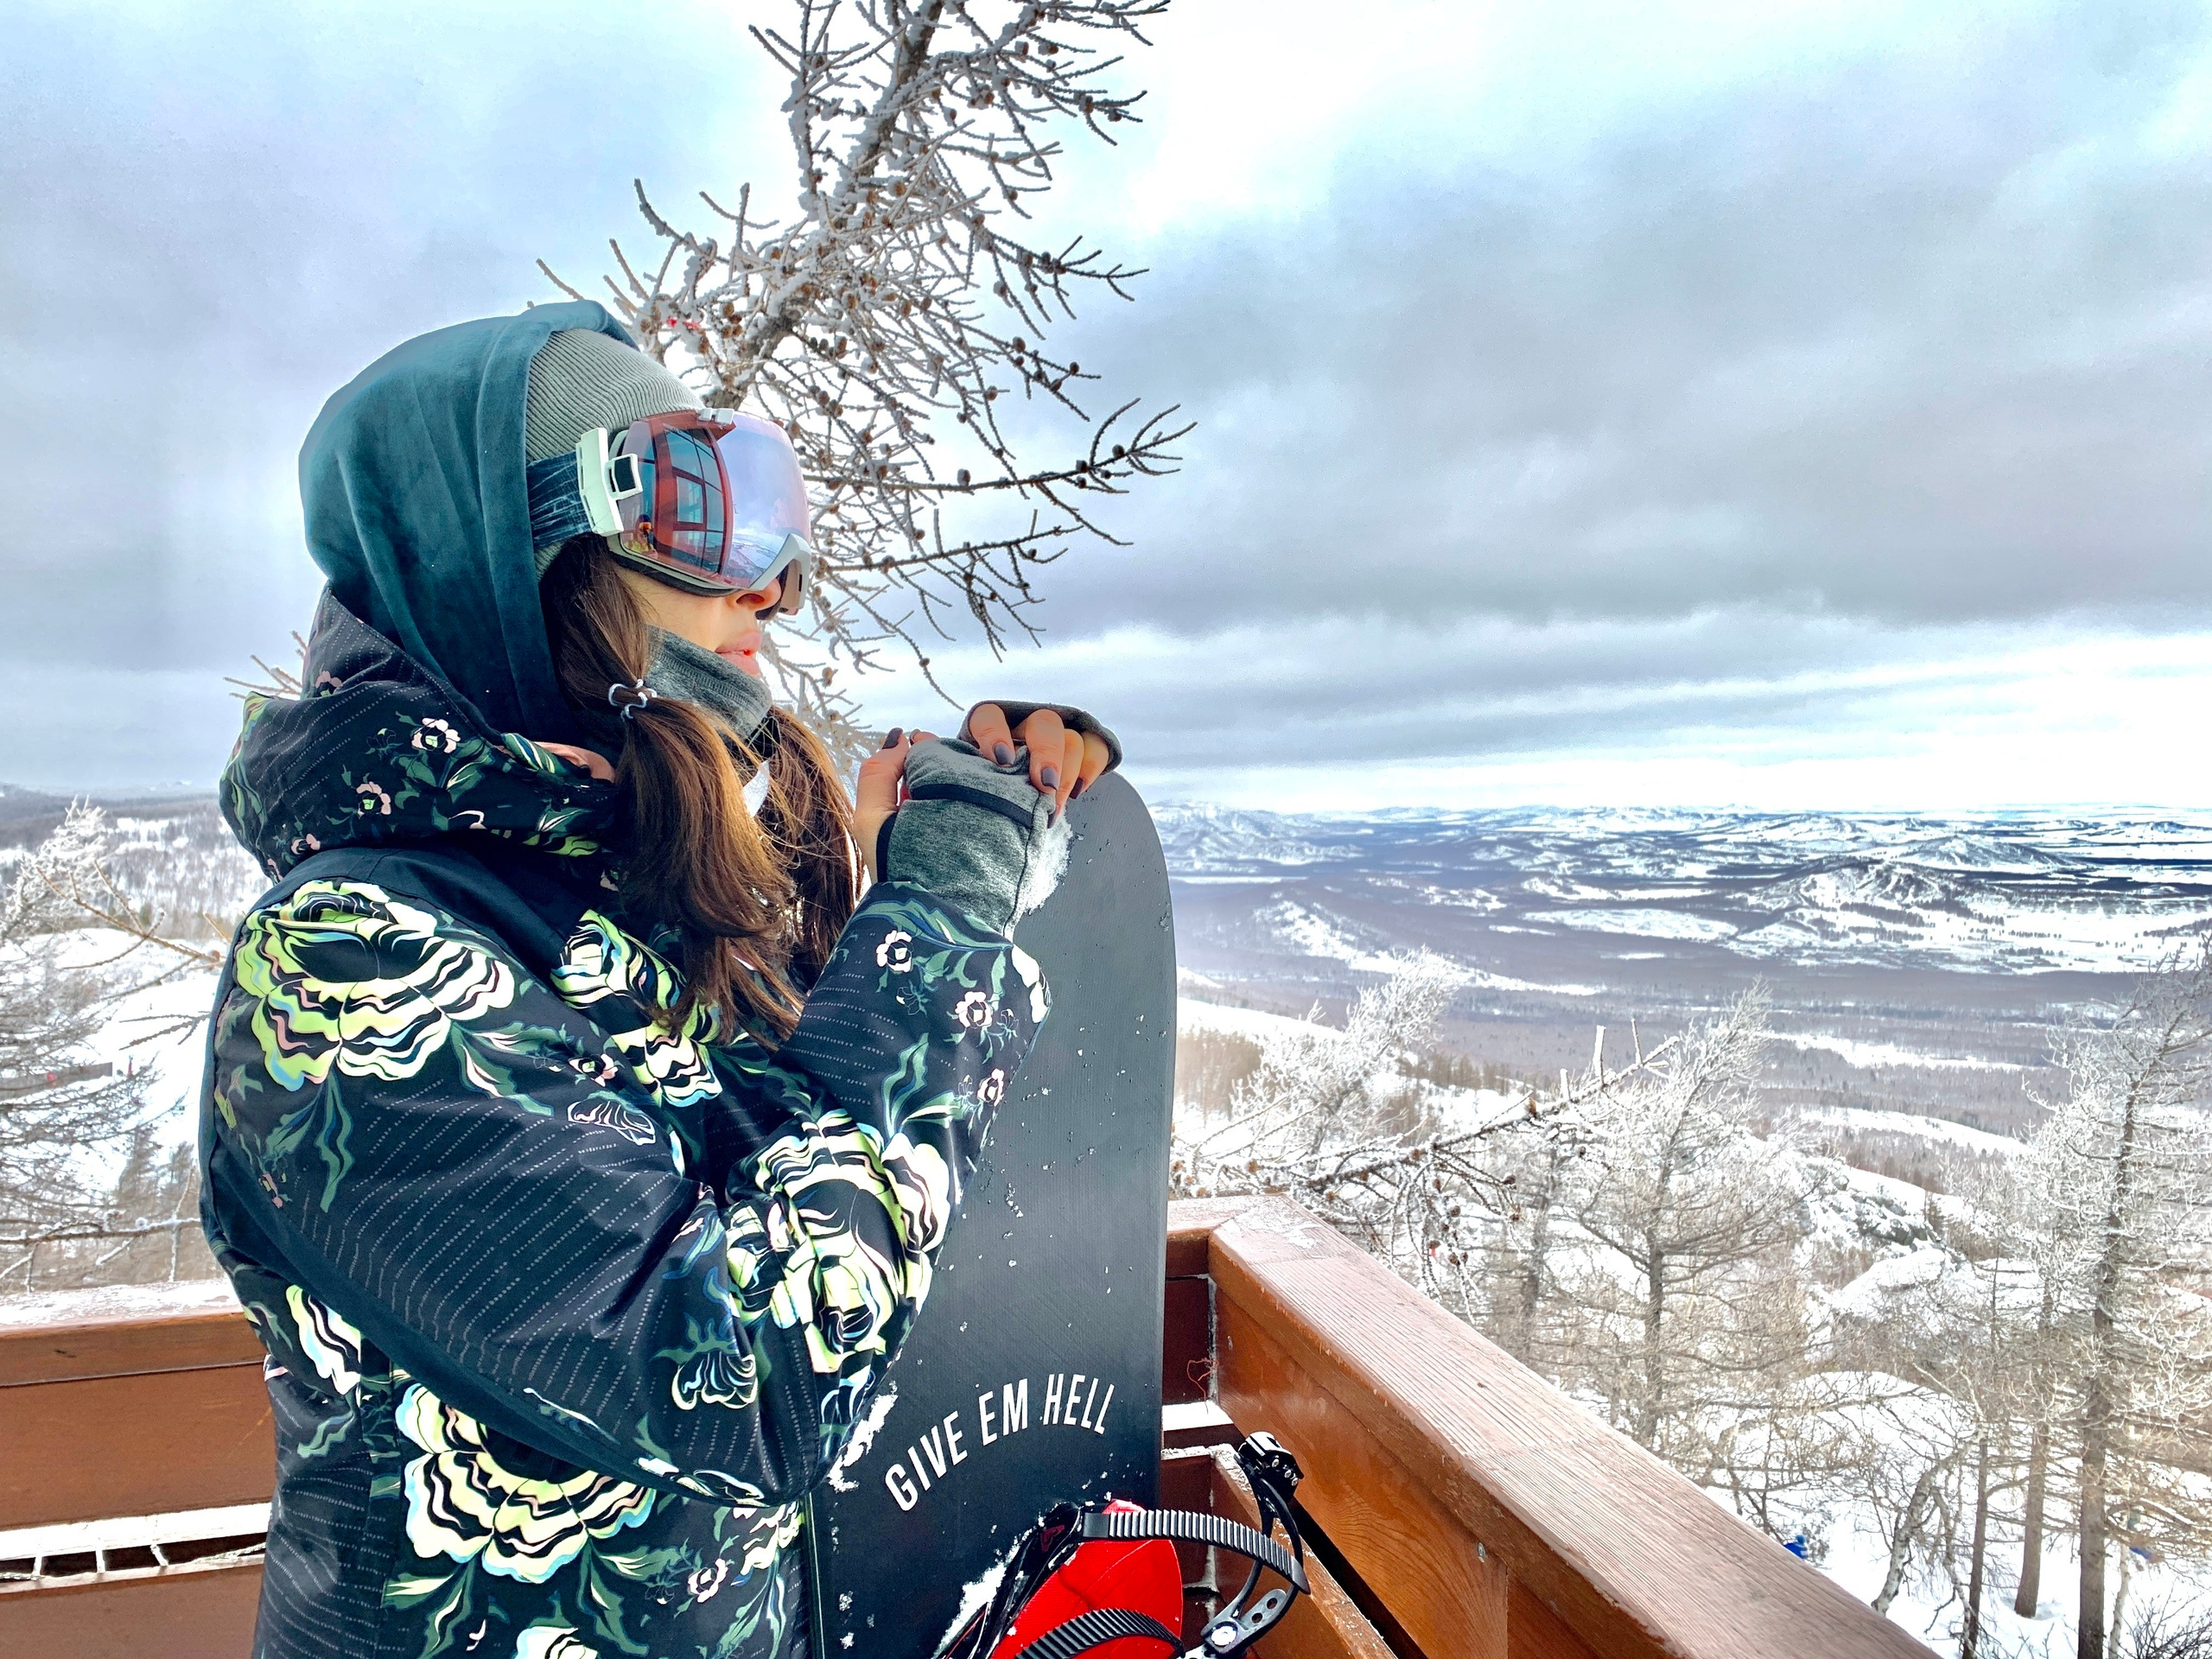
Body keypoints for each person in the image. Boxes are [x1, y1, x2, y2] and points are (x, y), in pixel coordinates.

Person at [197, 302, 1119, 1659]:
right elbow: (751, 1380)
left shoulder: (646, 884)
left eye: (773, 512)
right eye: (704, 509)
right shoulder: (343, 966)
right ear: (511, 565)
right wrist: (941, 916)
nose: (774, 586)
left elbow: (798, 1164)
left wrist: (893, 884)